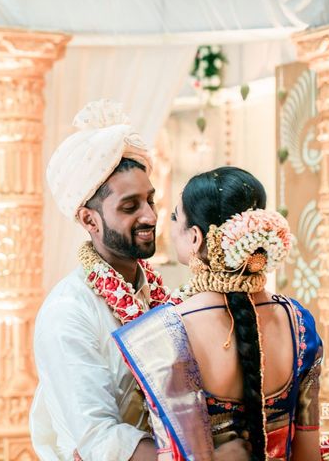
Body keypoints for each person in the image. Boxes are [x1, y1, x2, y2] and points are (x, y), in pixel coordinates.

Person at [30, 100, 249, 461]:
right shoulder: (67, 313)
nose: (150, 215)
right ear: (89, 220)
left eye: (150, 200)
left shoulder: (159, 295)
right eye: (130, 207)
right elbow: (100, 439)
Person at [113, 166, 323, 461]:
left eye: (175, 216)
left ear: (196, 237)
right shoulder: (298, 323)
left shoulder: (158, 335)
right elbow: (309, 454)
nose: (169, 225)